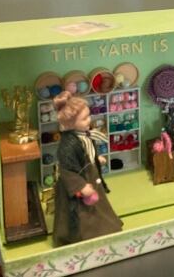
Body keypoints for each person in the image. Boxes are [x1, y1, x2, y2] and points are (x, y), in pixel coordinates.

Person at [52, 91, 122, 246]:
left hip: (90, 175)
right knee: (80, 214)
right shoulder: (67, 145)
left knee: (99, 208)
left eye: (89, 116)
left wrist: (95, 159)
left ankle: (104, 229)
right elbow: (67, 170)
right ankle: (83, 238)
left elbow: (86, 152)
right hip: (79, 185)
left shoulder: (84, 135)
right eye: (84, 118)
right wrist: (81, 186)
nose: (89, 120)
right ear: (70, 123)